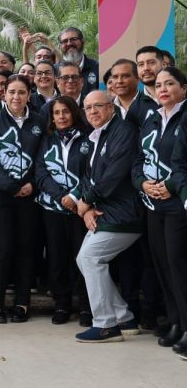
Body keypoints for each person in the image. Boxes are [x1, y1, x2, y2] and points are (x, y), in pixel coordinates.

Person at [74, 90, 143, 343]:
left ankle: (105, 325)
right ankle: (124, 317)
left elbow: (114, 174)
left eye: (98, 106)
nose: (92, 111)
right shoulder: (96, 135)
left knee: (90, 258)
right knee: (85, 260)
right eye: (88, 107)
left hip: (125, 214)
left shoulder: (123, 132)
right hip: (106, 210)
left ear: (111, 108)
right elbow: (88, 175)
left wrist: (87, 200)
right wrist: (87, 207)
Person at [133, 67, 187, 354]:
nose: (163, 89)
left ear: (184, 88)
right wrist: (142, 183)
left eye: (170, 83)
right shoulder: (152, 119)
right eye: (159, 84)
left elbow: (182, 164)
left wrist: (171, 186)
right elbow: (138, 159)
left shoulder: (184, 117)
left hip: (178, 205)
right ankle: (176, 321)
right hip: (154, 204)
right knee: (163, 265)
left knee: (179, 266)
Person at [0, 74, 45, 323]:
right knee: (1, 247)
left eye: (21, 92)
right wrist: (8, 186)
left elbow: (44, 156)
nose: (16, 97)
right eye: (12, 92)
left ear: (29, 94)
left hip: (29, 195)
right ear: (4, 94)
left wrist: (32, 184)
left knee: (25, 248)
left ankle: (22, 303)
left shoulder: (39, 121)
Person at [34, 96, 92, 326]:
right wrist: (60, 197)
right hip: (53, 207)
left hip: (81, 208)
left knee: (83, 257)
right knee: (57, 256)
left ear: (74, 113)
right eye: (56, 113)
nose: (61, 117)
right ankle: (62, 303)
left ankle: (87, 305)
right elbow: (40, 172)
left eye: (65, 112)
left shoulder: (88, 137)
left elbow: (92, 171)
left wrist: (75, 196)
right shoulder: (47, 139)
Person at [111, 58, 158, 127]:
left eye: (125, 76)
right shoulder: (107, 107)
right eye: (115, 77)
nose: (119, 81)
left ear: (137, 78)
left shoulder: (153, 105)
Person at [58, 27, 99, 99]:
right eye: (65, 41)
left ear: (83, 42)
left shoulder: (97, 67)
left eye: (73, 39)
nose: (69, 43)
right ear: (60, 46)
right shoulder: (53, 70)